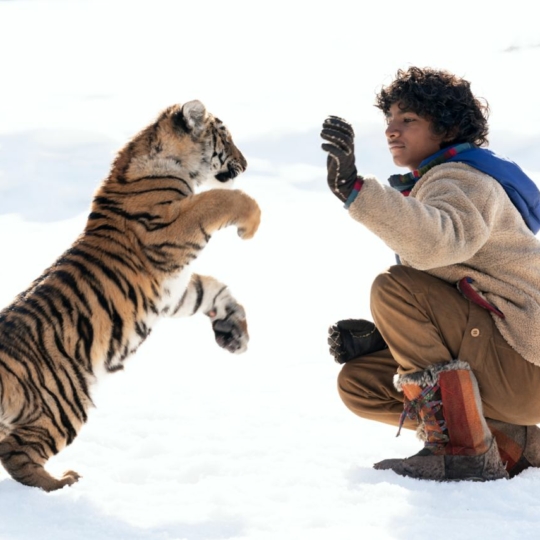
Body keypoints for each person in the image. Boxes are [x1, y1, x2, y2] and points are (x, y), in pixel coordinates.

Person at [320, 66, 540, 482]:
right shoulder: (439, 181)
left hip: (524, 362)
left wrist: (355, 189)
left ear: (447, 128)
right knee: (360, 383)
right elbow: (456, 282)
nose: (392, 131)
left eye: (409, 121)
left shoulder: (464, 179)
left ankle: (463, 450)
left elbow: (439, 241)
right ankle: (511, 440)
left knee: (395, 288)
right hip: (511, 371)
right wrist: (387, 340)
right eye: (389, 121)